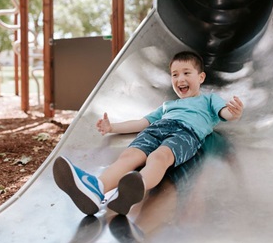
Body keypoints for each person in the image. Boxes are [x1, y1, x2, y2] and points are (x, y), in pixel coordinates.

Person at [53, 51, 244, 217]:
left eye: (187, 73)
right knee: (129, 155)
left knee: (160, 157)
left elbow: (224, 113)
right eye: (175, 74)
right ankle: (96, 189)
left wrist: (234, 113)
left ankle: (135, 188)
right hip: (156, 129)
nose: (180, 79)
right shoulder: (168, 106)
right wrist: (112, 127)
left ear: (201, 77)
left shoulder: (209, 99)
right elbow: (141, 123)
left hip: (186, 133)